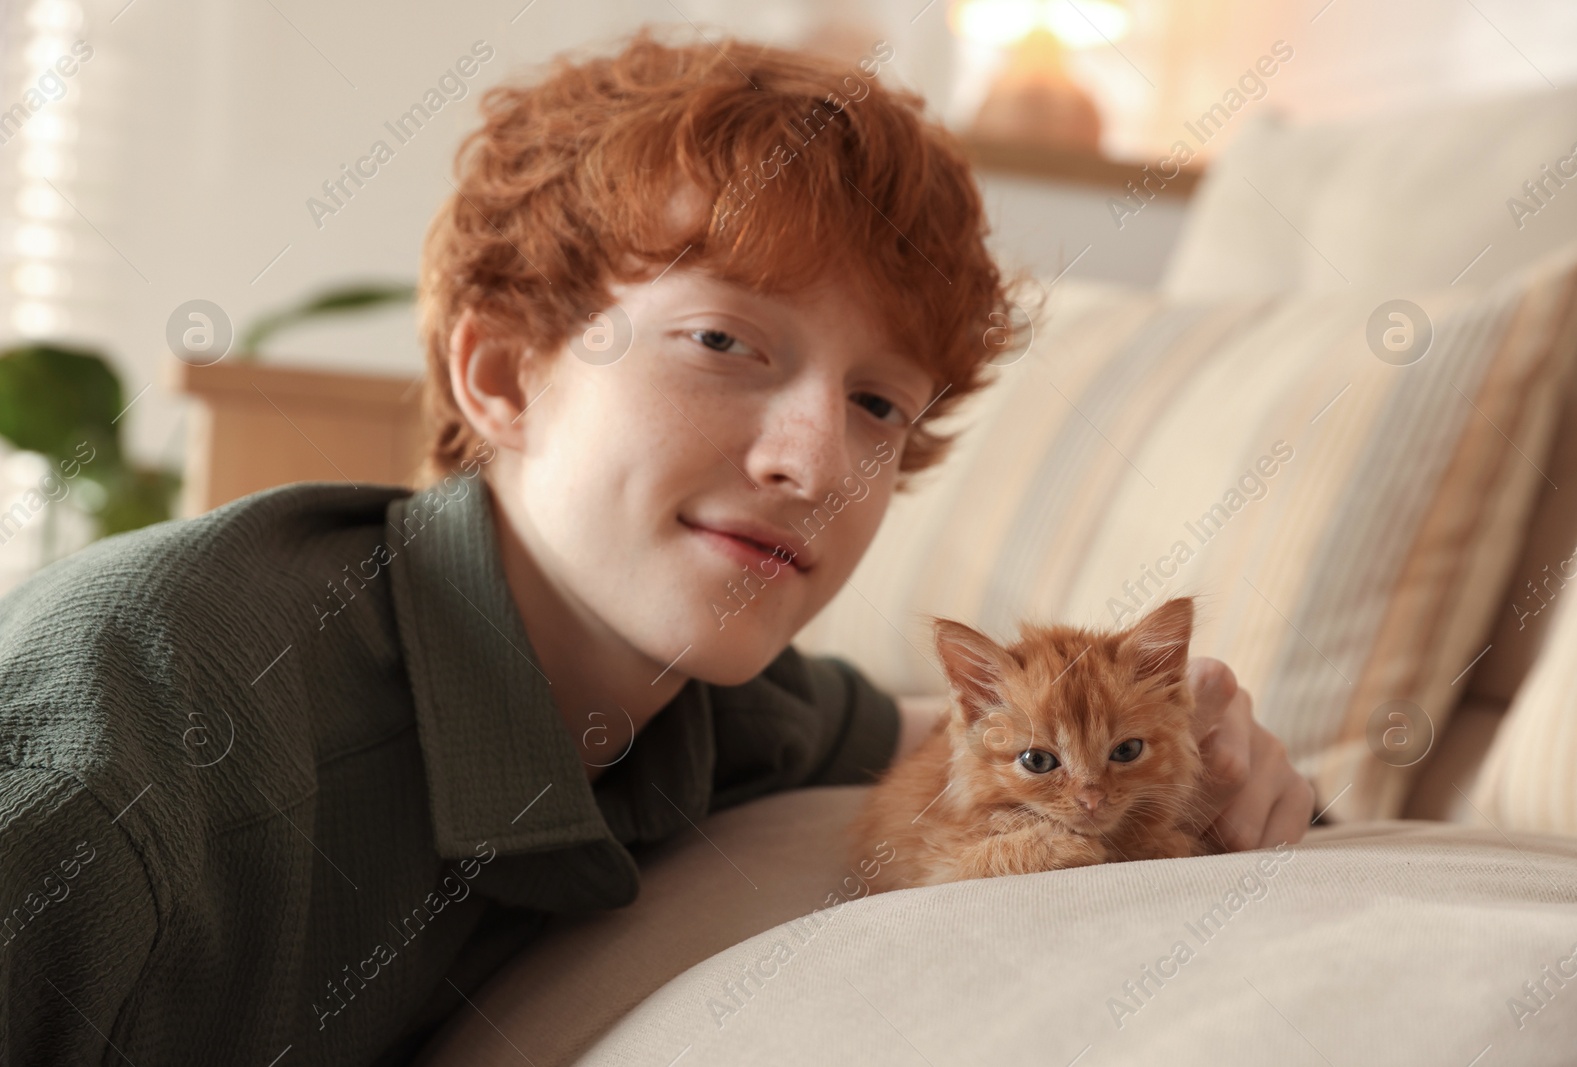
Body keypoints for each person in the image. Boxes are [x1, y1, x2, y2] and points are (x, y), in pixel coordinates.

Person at [0, 28, 1313, 1067]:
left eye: (878, 404)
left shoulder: (706, 697)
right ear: (504, 375)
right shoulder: (136, 774)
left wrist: (1208, 745)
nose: (814, 461)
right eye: (725, 343)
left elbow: (937, 733)